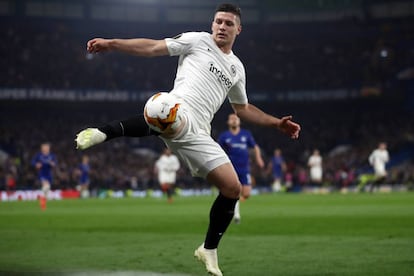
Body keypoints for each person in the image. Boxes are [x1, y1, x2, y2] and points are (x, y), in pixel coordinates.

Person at [75, 3, 300, 275]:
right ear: (212, 24)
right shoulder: (197, 40)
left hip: (200, 132)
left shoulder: (237, 69)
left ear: (238, 30)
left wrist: (276, 123)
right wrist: (113, 44)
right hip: (179, 108)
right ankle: (103, 132)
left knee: (232, 188)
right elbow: (153, 47)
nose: (221, 27)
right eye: (218, 21)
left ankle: (208, 248)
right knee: (162, 108)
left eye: (228, 23)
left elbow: (243, 109)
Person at [218, 113, 264, 224]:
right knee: (234, 191)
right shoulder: (224, 136)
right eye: (231, 119)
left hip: (244, 168)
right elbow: (217, 148)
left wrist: (258, 158)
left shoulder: (246, 134)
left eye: (236, 119)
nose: (234, 121)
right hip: (230, 168)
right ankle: (236, 214)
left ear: (239, 121)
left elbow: (255, 147)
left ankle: (234, 204)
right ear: (228, 122)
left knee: (246, 193)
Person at [31, 142, 57, 209]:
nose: (46, 148)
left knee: (47, 187)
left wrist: (53, 164)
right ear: (42, 148)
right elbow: (33, 162)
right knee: (46, 185)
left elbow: (55, 163)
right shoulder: (39, 155)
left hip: (49, 173)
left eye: (47, 147)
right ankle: (43, 200)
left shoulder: (51, 155)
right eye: (44, 147)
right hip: (42, 173)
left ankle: (44, 200)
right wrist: (36, 164)